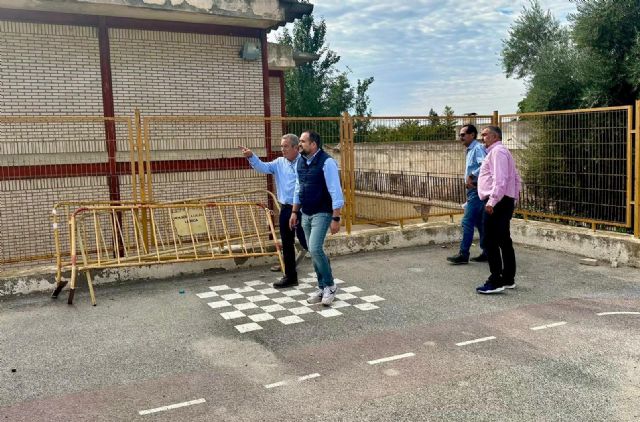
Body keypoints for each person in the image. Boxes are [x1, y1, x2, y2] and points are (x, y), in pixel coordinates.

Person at [240, 134, 308, 288]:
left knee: (308, 243)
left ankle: (324, 272)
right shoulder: (279, 163)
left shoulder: (304, 163)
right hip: (285, 209)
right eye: (281, 146)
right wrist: (251, 156)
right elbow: (263, 167)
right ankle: (290, 276)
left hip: (302, 209)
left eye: (286, 146)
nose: (282, 150)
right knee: (287, 243)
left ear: (296, 148)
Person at [289, 130, 344, 306]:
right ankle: (321, 287)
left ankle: (330, 285)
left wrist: (336, 218)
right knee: (312, 251)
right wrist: (294, 212)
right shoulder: (301, 162)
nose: (300, 145)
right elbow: (298, 188)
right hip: (306, 212)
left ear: (313, 144)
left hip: (323, 212)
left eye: (303, 142)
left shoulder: (327, 162)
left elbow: (336, 191)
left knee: (315, 247)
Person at [476, 125, 521, 294]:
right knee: (503, 240)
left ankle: (495, 280)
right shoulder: (502, 152)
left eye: (485, 135)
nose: (483, 138)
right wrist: (512, 199)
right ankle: (508, 278)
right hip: (503, 200)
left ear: (495, 137)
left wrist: (492, 202)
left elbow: (500, 180)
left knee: (490, 241)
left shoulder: (497, 152)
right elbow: (517, 178)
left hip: (496, 201)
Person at [447, 124, 488, 265]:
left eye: (463, 134)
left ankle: (463, 254)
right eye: (460, 135)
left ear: (472, 135)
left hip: (476, 191)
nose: (461, 137)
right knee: (480, 223)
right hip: (474, 191)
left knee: (467, 222)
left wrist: (472, 175)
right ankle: (487, 252)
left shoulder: (477, 148)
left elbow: (485, 165)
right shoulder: (471, 150)